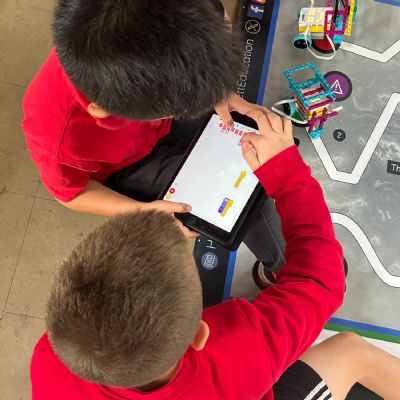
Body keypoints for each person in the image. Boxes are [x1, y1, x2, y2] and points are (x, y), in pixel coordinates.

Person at [31, 112, 400, 399]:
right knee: (352, 351)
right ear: (199, 334)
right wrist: (287, 173)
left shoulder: (49, 358)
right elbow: (322, 280)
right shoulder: (241, 350)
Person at [22, 0, 285, 270]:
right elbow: (71, 193)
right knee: (247, 205)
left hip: (154, 113)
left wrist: (217, 91)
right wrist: (143, 212)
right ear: (104, 111)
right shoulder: (58, 137)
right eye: (180, 109)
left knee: (248, 155)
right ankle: (286, 269)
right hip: (129, 166)